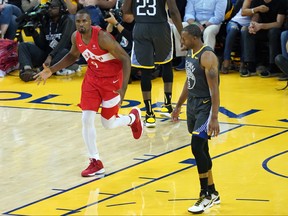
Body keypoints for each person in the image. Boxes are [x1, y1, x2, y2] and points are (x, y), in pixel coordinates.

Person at [34, 9, 143, 177]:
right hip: (92, 79)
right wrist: (52, 70)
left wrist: (123, 89)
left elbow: (125, 59)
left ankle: (132, 118)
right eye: (78, 22)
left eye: (84, 21)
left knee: (108, 124)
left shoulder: (102, 37)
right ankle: (95, 162)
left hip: (112, 80)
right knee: (86, 119)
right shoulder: (75, 37)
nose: (81, 24)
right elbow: (72, 56)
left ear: (90, 21)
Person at [171, 24, 220, 214]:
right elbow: (188, 82)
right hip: (192, 105)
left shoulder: (207, 56)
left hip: (205, 107)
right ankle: (213, 191)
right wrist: (178, 105)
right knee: (203, 148)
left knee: (196, 147)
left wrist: (214, 117)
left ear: (194, 37)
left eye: (184, 38)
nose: (181, 41)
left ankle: (205, 195)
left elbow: (215, 90)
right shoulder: (190, 54)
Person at [122, 0, 183, 128]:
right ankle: (167, 105)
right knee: (166, 63)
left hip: (140, 27)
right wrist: (182, 33)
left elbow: (125, 10)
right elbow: (173, 11)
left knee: (146, 70)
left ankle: (149, 114)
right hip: (160, 27)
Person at [18, 0, 78, 82]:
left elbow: (64, 42)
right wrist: (35, 35)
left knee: (65, 51)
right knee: (23, 46)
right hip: (46, 56)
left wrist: (51, 56)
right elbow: (42, 45)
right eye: (49, 7)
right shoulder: (46, 21)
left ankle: (38, 71)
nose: (50, 9)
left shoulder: (68, 21)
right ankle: (27, 70)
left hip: (59, 56)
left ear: (61, 9)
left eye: (53, 7)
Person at [241, 0, 286, 77]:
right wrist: (253, 25)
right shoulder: (257, 1)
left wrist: (261, 26)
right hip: (261, 29)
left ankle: (273, 66)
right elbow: (256, 16)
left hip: (274, 29)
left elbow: (278, 24)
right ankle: (250, 65)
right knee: (246, 30)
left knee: (273, 32)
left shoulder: (281, 2)